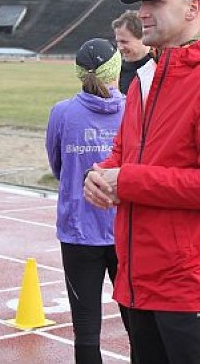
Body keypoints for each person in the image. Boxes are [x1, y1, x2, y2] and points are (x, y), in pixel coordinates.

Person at [83, 0, 200, 364]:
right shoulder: (148, 78)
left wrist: (125, 181)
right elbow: (126, 154)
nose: (144, 11)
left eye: (157, 1)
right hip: (138, 280)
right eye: (143, 2)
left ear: (193, 8)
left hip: (188, 287)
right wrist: (100, 176)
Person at [46, 37, 129, 363]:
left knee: (86, 330)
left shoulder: (63, 112)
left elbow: (58, 166)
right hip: (125, 229)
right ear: (116, 69)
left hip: (78, 230)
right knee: (137, 324)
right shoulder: (135, 109)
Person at [111, 10, 152, 95]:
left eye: (124, 42)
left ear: (143, 37)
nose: (120, 47)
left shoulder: (159, 68)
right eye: (117, 42)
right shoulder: (117, 72)